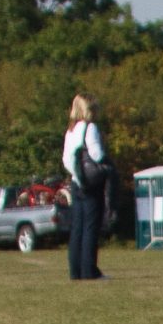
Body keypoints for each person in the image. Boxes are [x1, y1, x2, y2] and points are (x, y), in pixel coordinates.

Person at [61, 94, 110, 281]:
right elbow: (96, 154)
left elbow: (66, 159)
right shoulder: (90, 128)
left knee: (77, 228)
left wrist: (77, 173)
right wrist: (106, 166)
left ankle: (76, 271)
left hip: (76, 181)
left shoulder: (71, 130)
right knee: (91, 227)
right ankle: (89, 270)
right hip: (91, 184)